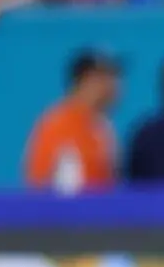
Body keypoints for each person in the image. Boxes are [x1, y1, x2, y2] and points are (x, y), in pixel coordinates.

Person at [24, 50, 121, 194]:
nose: (114, 85)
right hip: (69, 214)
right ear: (84, 81)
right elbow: (39, 185)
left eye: (115, 77)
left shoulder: (103, 127)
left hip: (100, 213)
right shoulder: (59, 124)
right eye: (105, 77)